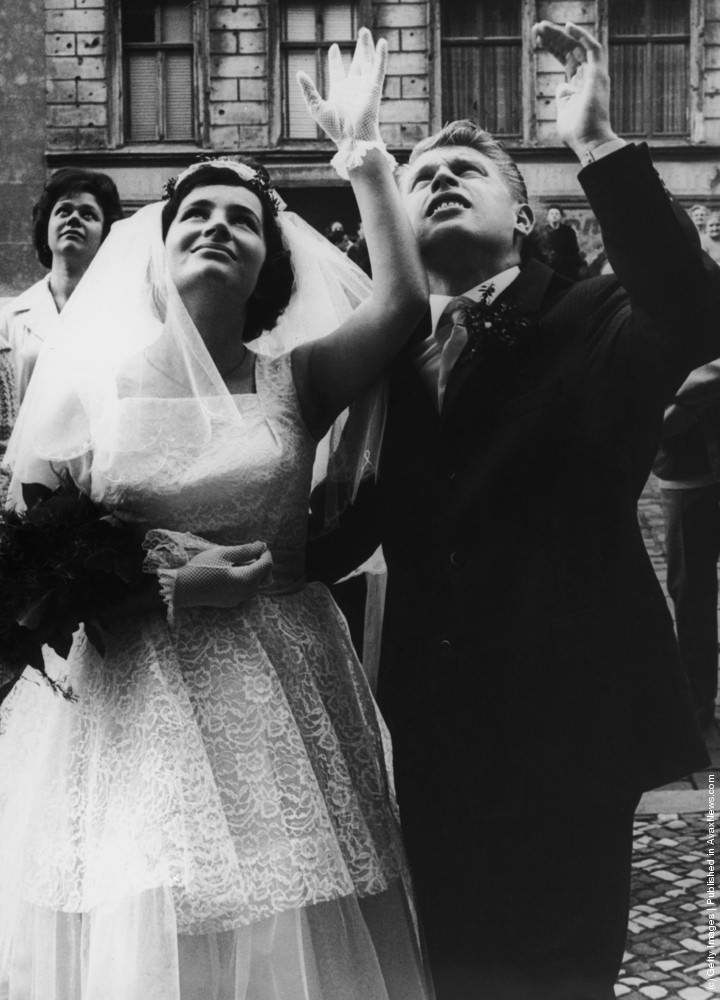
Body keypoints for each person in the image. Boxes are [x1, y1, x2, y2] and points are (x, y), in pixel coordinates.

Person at [0, 30, 432, 999]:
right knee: (146, 942)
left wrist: (364, 157)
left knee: (285, 942)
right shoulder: (93, 393)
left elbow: (405, 307)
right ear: (156, 254)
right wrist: (156, 584)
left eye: (242, 219)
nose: (216, 226)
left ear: (266, 266)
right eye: (195, 212)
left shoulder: (298, 380)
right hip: (130, 705)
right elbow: (25, 573)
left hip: (277, 694)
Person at [308, 20, 717, 1000]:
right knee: (453, 973)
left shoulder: (597, 314)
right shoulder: (384, 358)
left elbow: (695, 310)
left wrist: (597, 143)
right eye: (423, 171)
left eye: (470, 167)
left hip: (572, 732)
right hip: (430, 737)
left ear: (525, 212)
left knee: (557, 977)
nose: (440, 175)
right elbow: (338, 532)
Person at [0, 168, 123, 404]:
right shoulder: (10, 319)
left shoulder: (123, 312)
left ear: (104, 235)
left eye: (88, 215)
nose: (73, 219)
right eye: (63, 211)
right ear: (46, 227)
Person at [654, 359, 720, 730]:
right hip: (684, 467)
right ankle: (697, 701)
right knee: (690, 589)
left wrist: (672, 400)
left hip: (684, 451)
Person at [534, 203, 585, 281]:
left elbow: (574, 250)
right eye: (551, 214)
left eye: (557, 213)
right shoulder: (542, 232)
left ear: (561, 216)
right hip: (548, 268)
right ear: (547, 217)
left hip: (565, 268)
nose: (554, 216)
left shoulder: (568, 231)